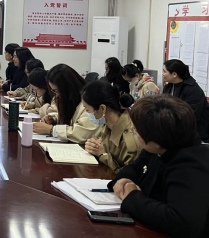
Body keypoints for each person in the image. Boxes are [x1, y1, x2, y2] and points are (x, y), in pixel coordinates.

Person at [108, 95, 209, 237]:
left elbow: (182, 222)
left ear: (156, 142)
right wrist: (122, 181)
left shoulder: (191, 166)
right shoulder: (160, 147)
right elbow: (134, 168)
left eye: (136, 131)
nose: (134, 133)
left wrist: (132, 197)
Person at [33, 64, 100, 143]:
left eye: (57, 91)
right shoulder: (71, 98)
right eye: (54, 91)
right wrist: (55, 119)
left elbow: (83, 133)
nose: (57, 95)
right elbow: (72, 118)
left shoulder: (89, 102)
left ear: (68, 87)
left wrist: (51, 130)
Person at [82, 81, 139, 173]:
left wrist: (102, 155)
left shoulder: (131, 139)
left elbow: (128, 176)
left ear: (102, 108)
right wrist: (94, 147)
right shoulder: (108, 126)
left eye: (87, 110)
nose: (87, 114)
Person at [162, 59, 209, 141]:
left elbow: (190, 116)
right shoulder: (168, 87)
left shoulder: (193, 90)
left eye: (164, 71)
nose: (162, 74)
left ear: (174, 74)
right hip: (174, 128)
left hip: (194, 134)